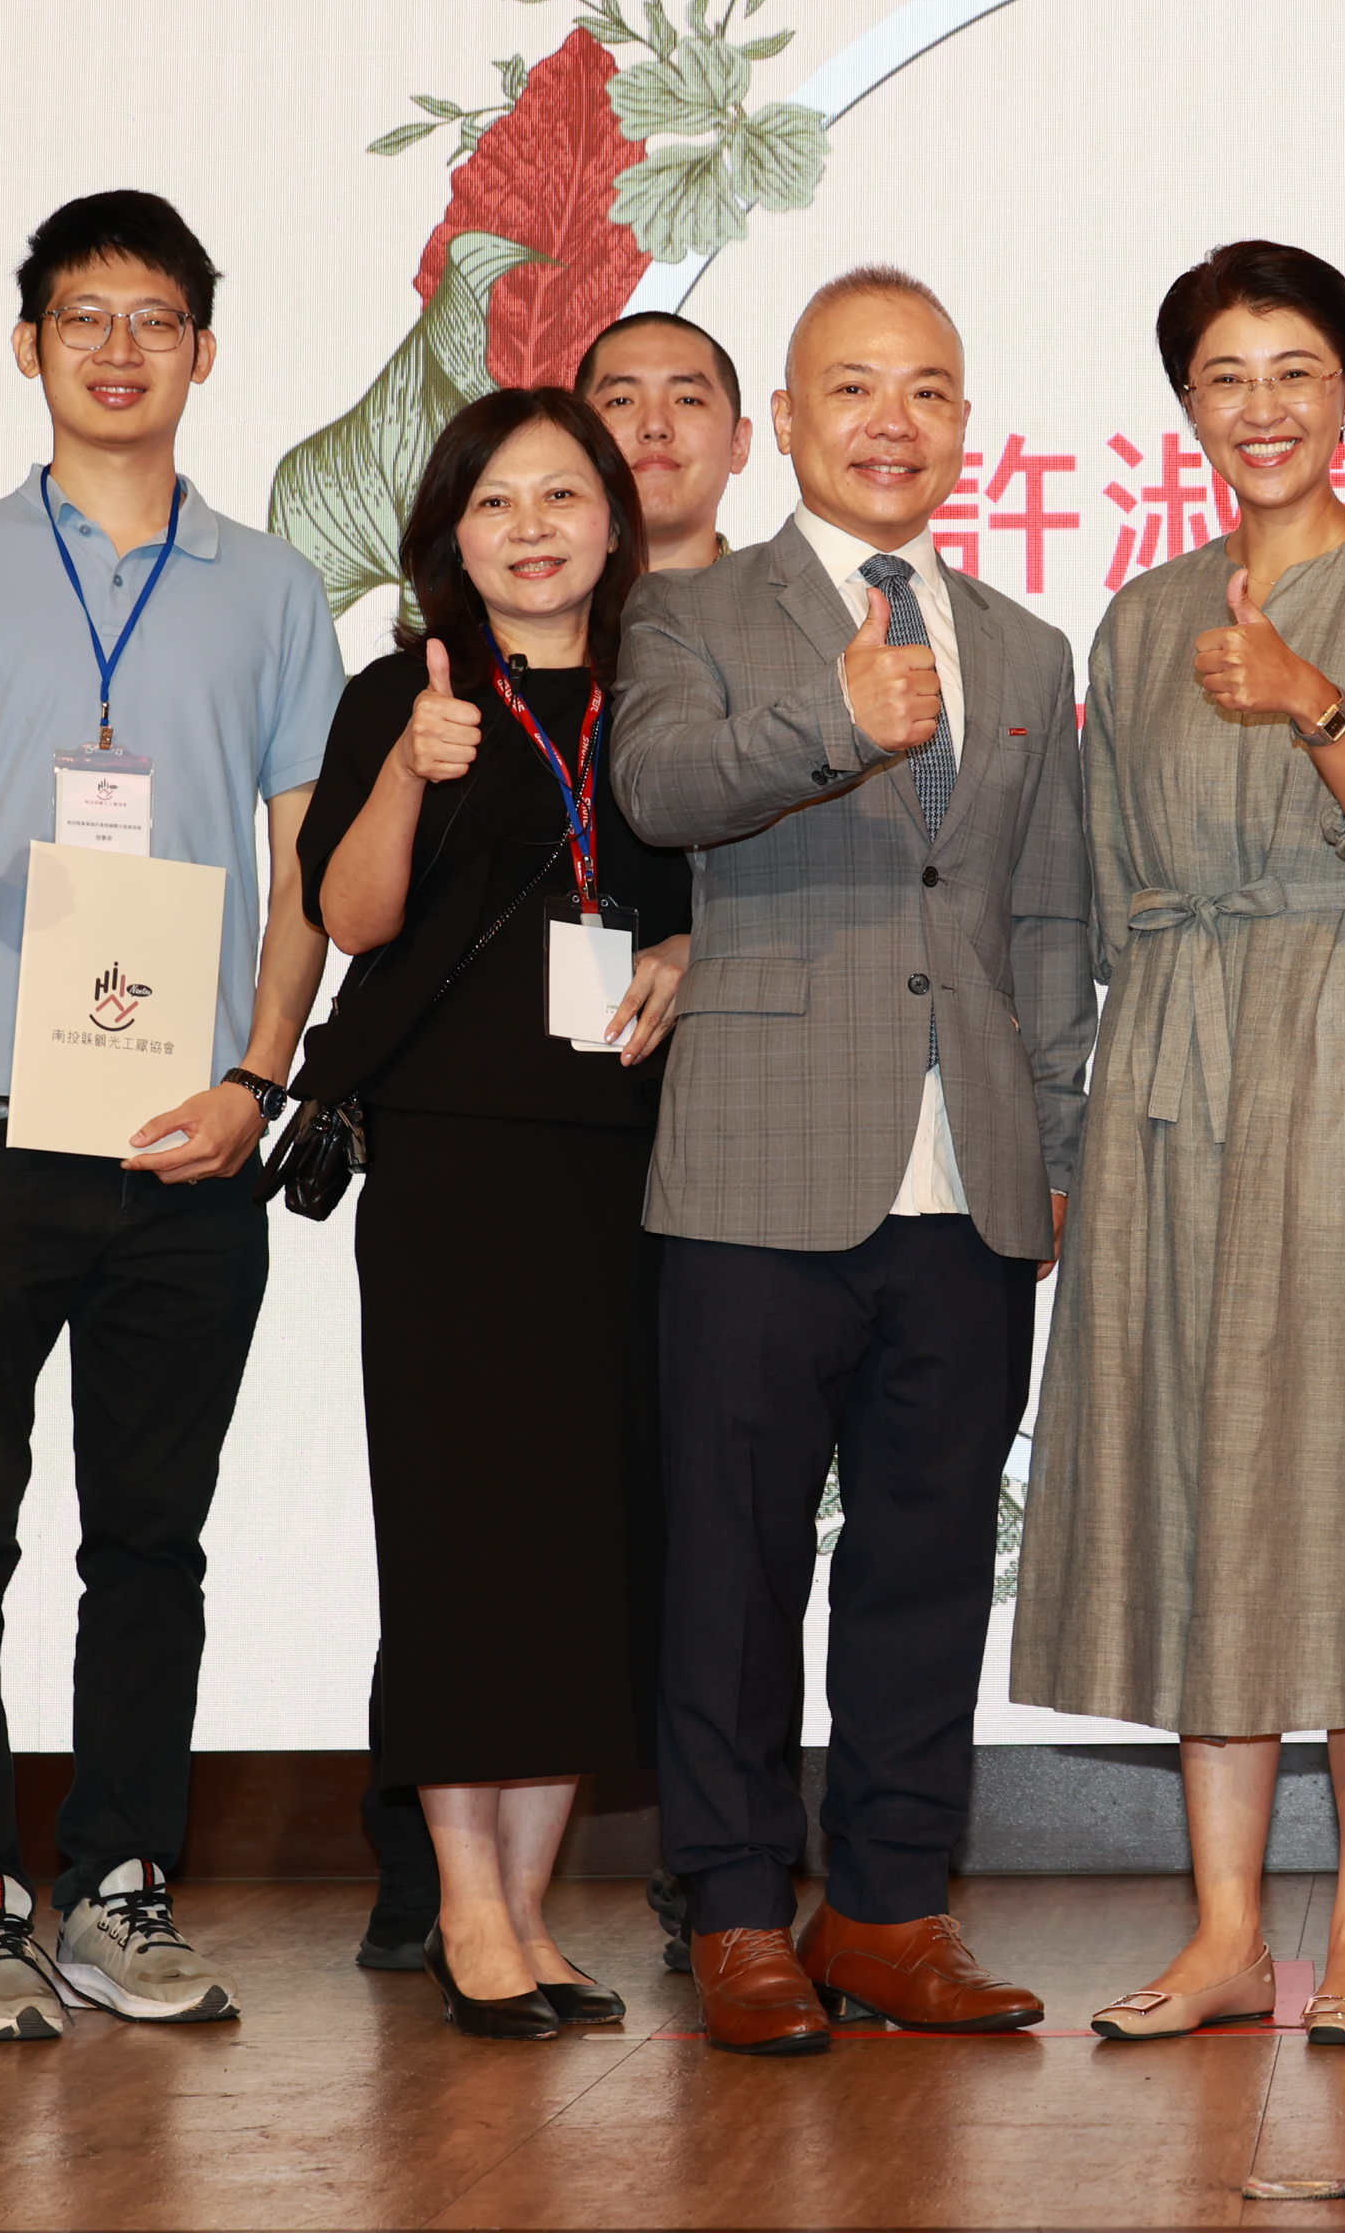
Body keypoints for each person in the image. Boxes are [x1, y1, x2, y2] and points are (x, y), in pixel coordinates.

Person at [1011, 241, 1345, 2045]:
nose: (1263, 407)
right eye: (1225, 376)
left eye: (1296, 370)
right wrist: (1077, 1114)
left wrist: (1309, 696)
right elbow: (1099, 890)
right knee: (1197, 1475)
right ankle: (1226, 1930)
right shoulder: (1139, 615)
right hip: (1174, 1059)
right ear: (1186, 405)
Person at [0, 191, 342, 2039]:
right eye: (81, 318)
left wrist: (258, 1078)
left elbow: (306, 865)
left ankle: (122, 1883)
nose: (117, 351)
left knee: (152, 1538)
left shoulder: (274, 587)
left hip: (183, 1131)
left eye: (153, 320)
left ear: (203, 350)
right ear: (26, 344)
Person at [610, 266, 1092, 2059]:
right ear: (789, 423)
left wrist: (1049, 1139)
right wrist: (838, 715)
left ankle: (889, 1907)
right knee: (732, 1568)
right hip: (756, 1165)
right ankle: (739, 1908)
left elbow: (1047, 919)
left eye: (929, 392)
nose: (894, 422)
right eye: (855, 389)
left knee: (927, 1560)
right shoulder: (690, 609)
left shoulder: (1026, 647)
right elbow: (661, 792)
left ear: (965, 424)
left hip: (970, 1180)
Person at [297, 388, 691, 2039]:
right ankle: (465, 1901)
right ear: (450, 536)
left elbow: (708, 895)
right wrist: (406, 769)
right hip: (455, 1165)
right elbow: (350, 914)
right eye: (494, 503)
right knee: (464, 1533)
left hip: (626, 1162)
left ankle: (530, 1909)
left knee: (585, 1536)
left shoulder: (667, 696)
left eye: (561, 495)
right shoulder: (405, 689)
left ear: (614, 520)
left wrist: (689, 949)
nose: (531, 528)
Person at [570, 305, 749, 1978]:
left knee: (720, 1503)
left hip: (743, 1097)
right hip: (551, 1108)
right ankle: (441, 1853)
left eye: (685, 398)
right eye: (614, 400)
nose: (651, 427)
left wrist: (711, 942)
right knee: (522, 1468)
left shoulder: (794, 624)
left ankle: (723, 1858)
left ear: (743, 438)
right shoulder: (532, 613)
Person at [582, 310, 753, 576]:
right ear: (576, 441)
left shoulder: (790, 602)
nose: (654, 427)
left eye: (687, 400)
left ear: (738, 443)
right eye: (621, 401)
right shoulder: (533, 601)